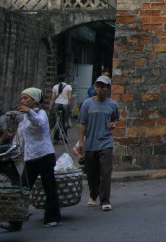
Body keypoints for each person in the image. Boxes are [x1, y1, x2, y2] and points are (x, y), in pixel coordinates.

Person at [0, 87, 62, 231]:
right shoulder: (26, 116)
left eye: (25, 98)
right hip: (31, 157)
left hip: (44, 156)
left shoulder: (41, 113)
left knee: (49, 188)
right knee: (23, 189)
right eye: (22, 98)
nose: (22, 101)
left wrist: (30, 112)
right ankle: (15, 222)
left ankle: (53, 218)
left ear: (34, 101)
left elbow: (40, 124)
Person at [78, 75, 119, 211]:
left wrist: (113, 125)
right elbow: (82, 123)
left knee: (106, 172)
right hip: (90, 143)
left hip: (106, 143)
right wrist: (80, 142)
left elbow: (115, 120)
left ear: (108, 89)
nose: (100, 89)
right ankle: (93, 194)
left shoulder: (113, 105)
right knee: (92, 173)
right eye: (98, 86)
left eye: (103, 87)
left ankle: (105, 200)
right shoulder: (87, 104)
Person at [48, 75, 72, 142]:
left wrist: (50, 107)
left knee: (57, 121)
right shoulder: (68, 86)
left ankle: (56, 139)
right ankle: (64, 137)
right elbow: (69, 98)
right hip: (65, 105)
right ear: (65, 79)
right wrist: (69, 106)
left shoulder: (55, 86)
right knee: (65, 121)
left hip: (57, 104)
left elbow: (52, 98)